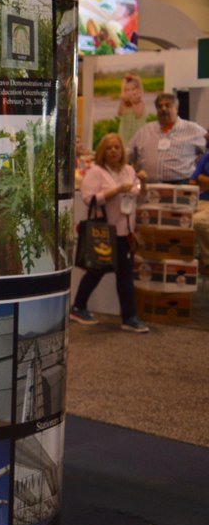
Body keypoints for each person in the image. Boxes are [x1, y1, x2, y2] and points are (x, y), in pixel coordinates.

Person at [71, 133, 148, 333]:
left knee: (124, 275)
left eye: (116, 147)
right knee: (97, 271)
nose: (113, 151)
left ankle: (128, 316)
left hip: (125, 232)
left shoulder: (129, 170)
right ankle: (79, 307)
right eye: (108, 148)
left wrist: (143, 183)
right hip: (104, 232)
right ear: (102, 152)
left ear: (122, 150)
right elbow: (89, 199)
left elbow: (139, 197)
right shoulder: (96, 172)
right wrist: (116, 190)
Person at [128, 92, 206, 184]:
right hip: (149, 187)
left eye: (168, 105)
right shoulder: (144, 131)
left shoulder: (194, 130)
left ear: (176, 108)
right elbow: (127, 154)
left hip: (182, 186)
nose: (163, 109)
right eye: (159, 106)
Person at [116, 72, 146, 146]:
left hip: (136, 132)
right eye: (127, 90)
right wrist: (123, 100)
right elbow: (119, 113)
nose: (130, 92)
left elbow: (138, 115)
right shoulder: (124, 103)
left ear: (138, 90)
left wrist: (133, 102)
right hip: (125, 132)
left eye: (133, 89)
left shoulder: (140, 103)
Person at [192, 140, 209, 268]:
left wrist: (203, 179)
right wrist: (201, 180)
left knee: (196, 220)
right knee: (180, 219)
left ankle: (207, 260)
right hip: (200, 200)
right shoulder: (207, 156)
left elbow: (200, 179)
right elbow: (193, 180)